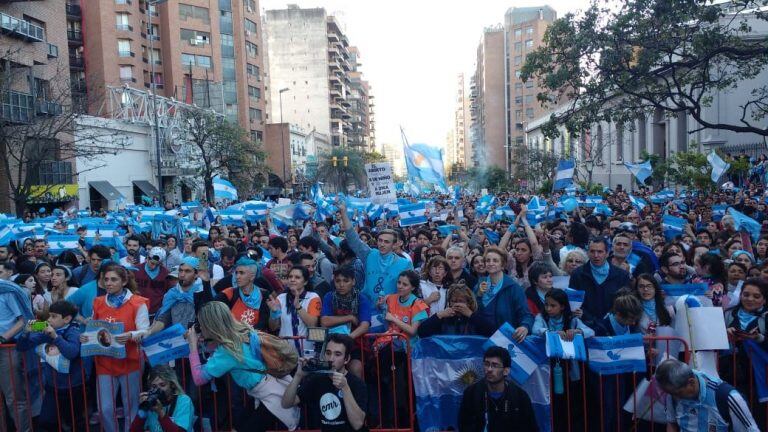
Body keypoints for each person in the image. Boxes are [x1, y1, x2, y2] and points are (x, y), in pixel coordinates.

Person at [185, 301, 300, 431]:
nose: (200, 327)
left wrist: (192, 347)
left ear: (210, 325)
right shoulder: (242, 331)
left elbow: (199, 378)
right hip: (272, 387)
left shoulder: (227, 351)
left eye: (201, 324)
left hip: (269, 396)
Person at [85, 263, 150, 432]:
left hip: (131, 361)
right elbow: (94, 327)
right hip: (105, 362)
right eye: (106, 279)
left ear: (124, 281)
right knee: (104, 409)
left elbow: (145, 331)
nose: (109, 283)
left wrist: (130, 335)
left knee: (131, 408)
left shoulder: (137, 303)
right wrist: (87, 336)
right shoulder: (98, 302)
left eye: (113, 279)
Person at [16, 300, 86, 432]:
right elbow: (21, 347)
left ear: (67, 319)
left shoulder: (73, 332)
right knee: (46, 422)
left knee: (75, 422)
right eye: (49, 315)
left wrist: (55, 336)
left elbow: (71, 352)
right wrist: (25, 332)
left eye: (54, 316)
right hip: (52, 387)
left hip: (73, 388)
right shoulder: (46, 332)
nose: (49, 319)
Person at [281, 334, 367, 432]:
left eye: (337, 354)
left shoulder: (356, 384)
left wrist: (345, 387)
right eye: (328, 353)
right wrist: (298, 376)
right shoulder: (317, 380)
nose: (331, 359)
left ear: (346, 359)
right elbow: (286, 404)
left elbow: (358, 424)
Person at [338, 200, 413, 304]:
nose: (382, 244)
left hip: (391, 311)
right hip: (367, 308)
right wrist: (343, 213)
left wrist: (390, 298)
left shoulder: (405, 264)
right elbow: (352, 239)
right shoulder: (369, 254)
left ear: (394, 244)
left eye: (386, 242)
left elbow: (409, 291)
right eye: (380, 240)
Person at [655, 358, 759, 432]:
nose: (675, 397)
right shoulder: (673, 392)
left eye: (678, 393)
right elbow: (671, 423)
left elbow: (751, 429)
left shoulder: (728, 397)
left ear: (691, 383)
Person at [458, 345, 538, 432]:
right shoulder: (471, 393)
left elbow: (530, 428)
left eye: (495, 365)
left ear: (506, 371)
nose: (489, 369)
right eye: (486, 364)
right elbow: (464, 426)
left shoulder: (520, 396)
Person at [320, 266, 372, 378]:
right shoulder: (329, 297)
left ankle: (358, 394)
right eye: (338, 281)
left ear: (353, 281)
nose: (341, 285)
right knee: (326, 371)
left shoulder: (362, 298)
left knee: (356, 368)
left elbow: (364, 326)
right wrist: (349, 317)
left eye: (346, 281)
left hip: (355, 343)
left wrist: (348, 338)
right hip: (331, 343)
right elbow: (324, 321)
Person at [569, 238, 631, 330]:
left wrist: (608, 320)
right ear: (588, 253)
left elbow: (623, 303)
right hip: (585, 326)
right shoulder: (577, 274)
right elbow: (574, 303)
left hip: (612, 327)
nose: (596, 255)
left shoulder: (622, 275)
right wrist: (588, 318)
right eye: (592, 251)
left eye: (600, 252)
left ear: (607, 253)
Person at [0, 279, 36, 432]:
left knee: (14, 397)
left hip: (7, 349)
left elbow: (24, 321)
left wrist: (2, 338)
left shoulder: (7, 289)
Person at [474, 246, 533, 338]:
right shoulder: (479, 285)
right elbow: (473, 312)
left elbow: (526, 314)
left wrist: (525, 326)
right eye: (488, 260)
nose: (490, 263)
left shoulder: (513, 287)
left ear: (503, 265)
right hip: (482, 338)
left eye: (495, 260)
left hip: (505, 339)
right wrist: (479, 295)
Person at [267, 266, 322, 355]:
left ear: (305, 282)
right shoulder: (281, 298)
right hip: (285, 352)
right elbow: (273, 327)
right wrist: (274, 313)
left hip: (307, 352)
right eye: (290, 277)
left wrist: (298, 306)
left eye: (297, 277)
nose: (292, 280)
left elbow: (312, 325)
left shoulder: (313, 297)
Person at [130, 365, 194, 432]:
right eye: (154, 386)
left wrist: (161, 412)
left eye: (162, 385)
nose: (158, 390)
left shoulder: (184, 401)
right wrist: (143, 409)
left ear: (172, 384)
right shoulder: (151, 402)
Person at [418, 281, 485, 337]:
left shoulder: (475, 315)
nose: (457, 304)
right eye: (453, 301)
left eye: (461, 301)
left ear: (468, 303)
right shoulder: (444, 317)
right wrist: (439, 315)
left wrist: (470, 315)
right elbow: (421, 332)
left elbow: (490, 330)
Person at [133, 246, 173, 315]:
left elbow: (168, 294)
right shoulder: (136, 270)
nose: (154, 266)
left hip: (156, 313)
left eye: (157, 264)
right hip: (137, 311)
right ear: (148, 258)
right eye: (152, 263)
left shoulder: (166, 273)